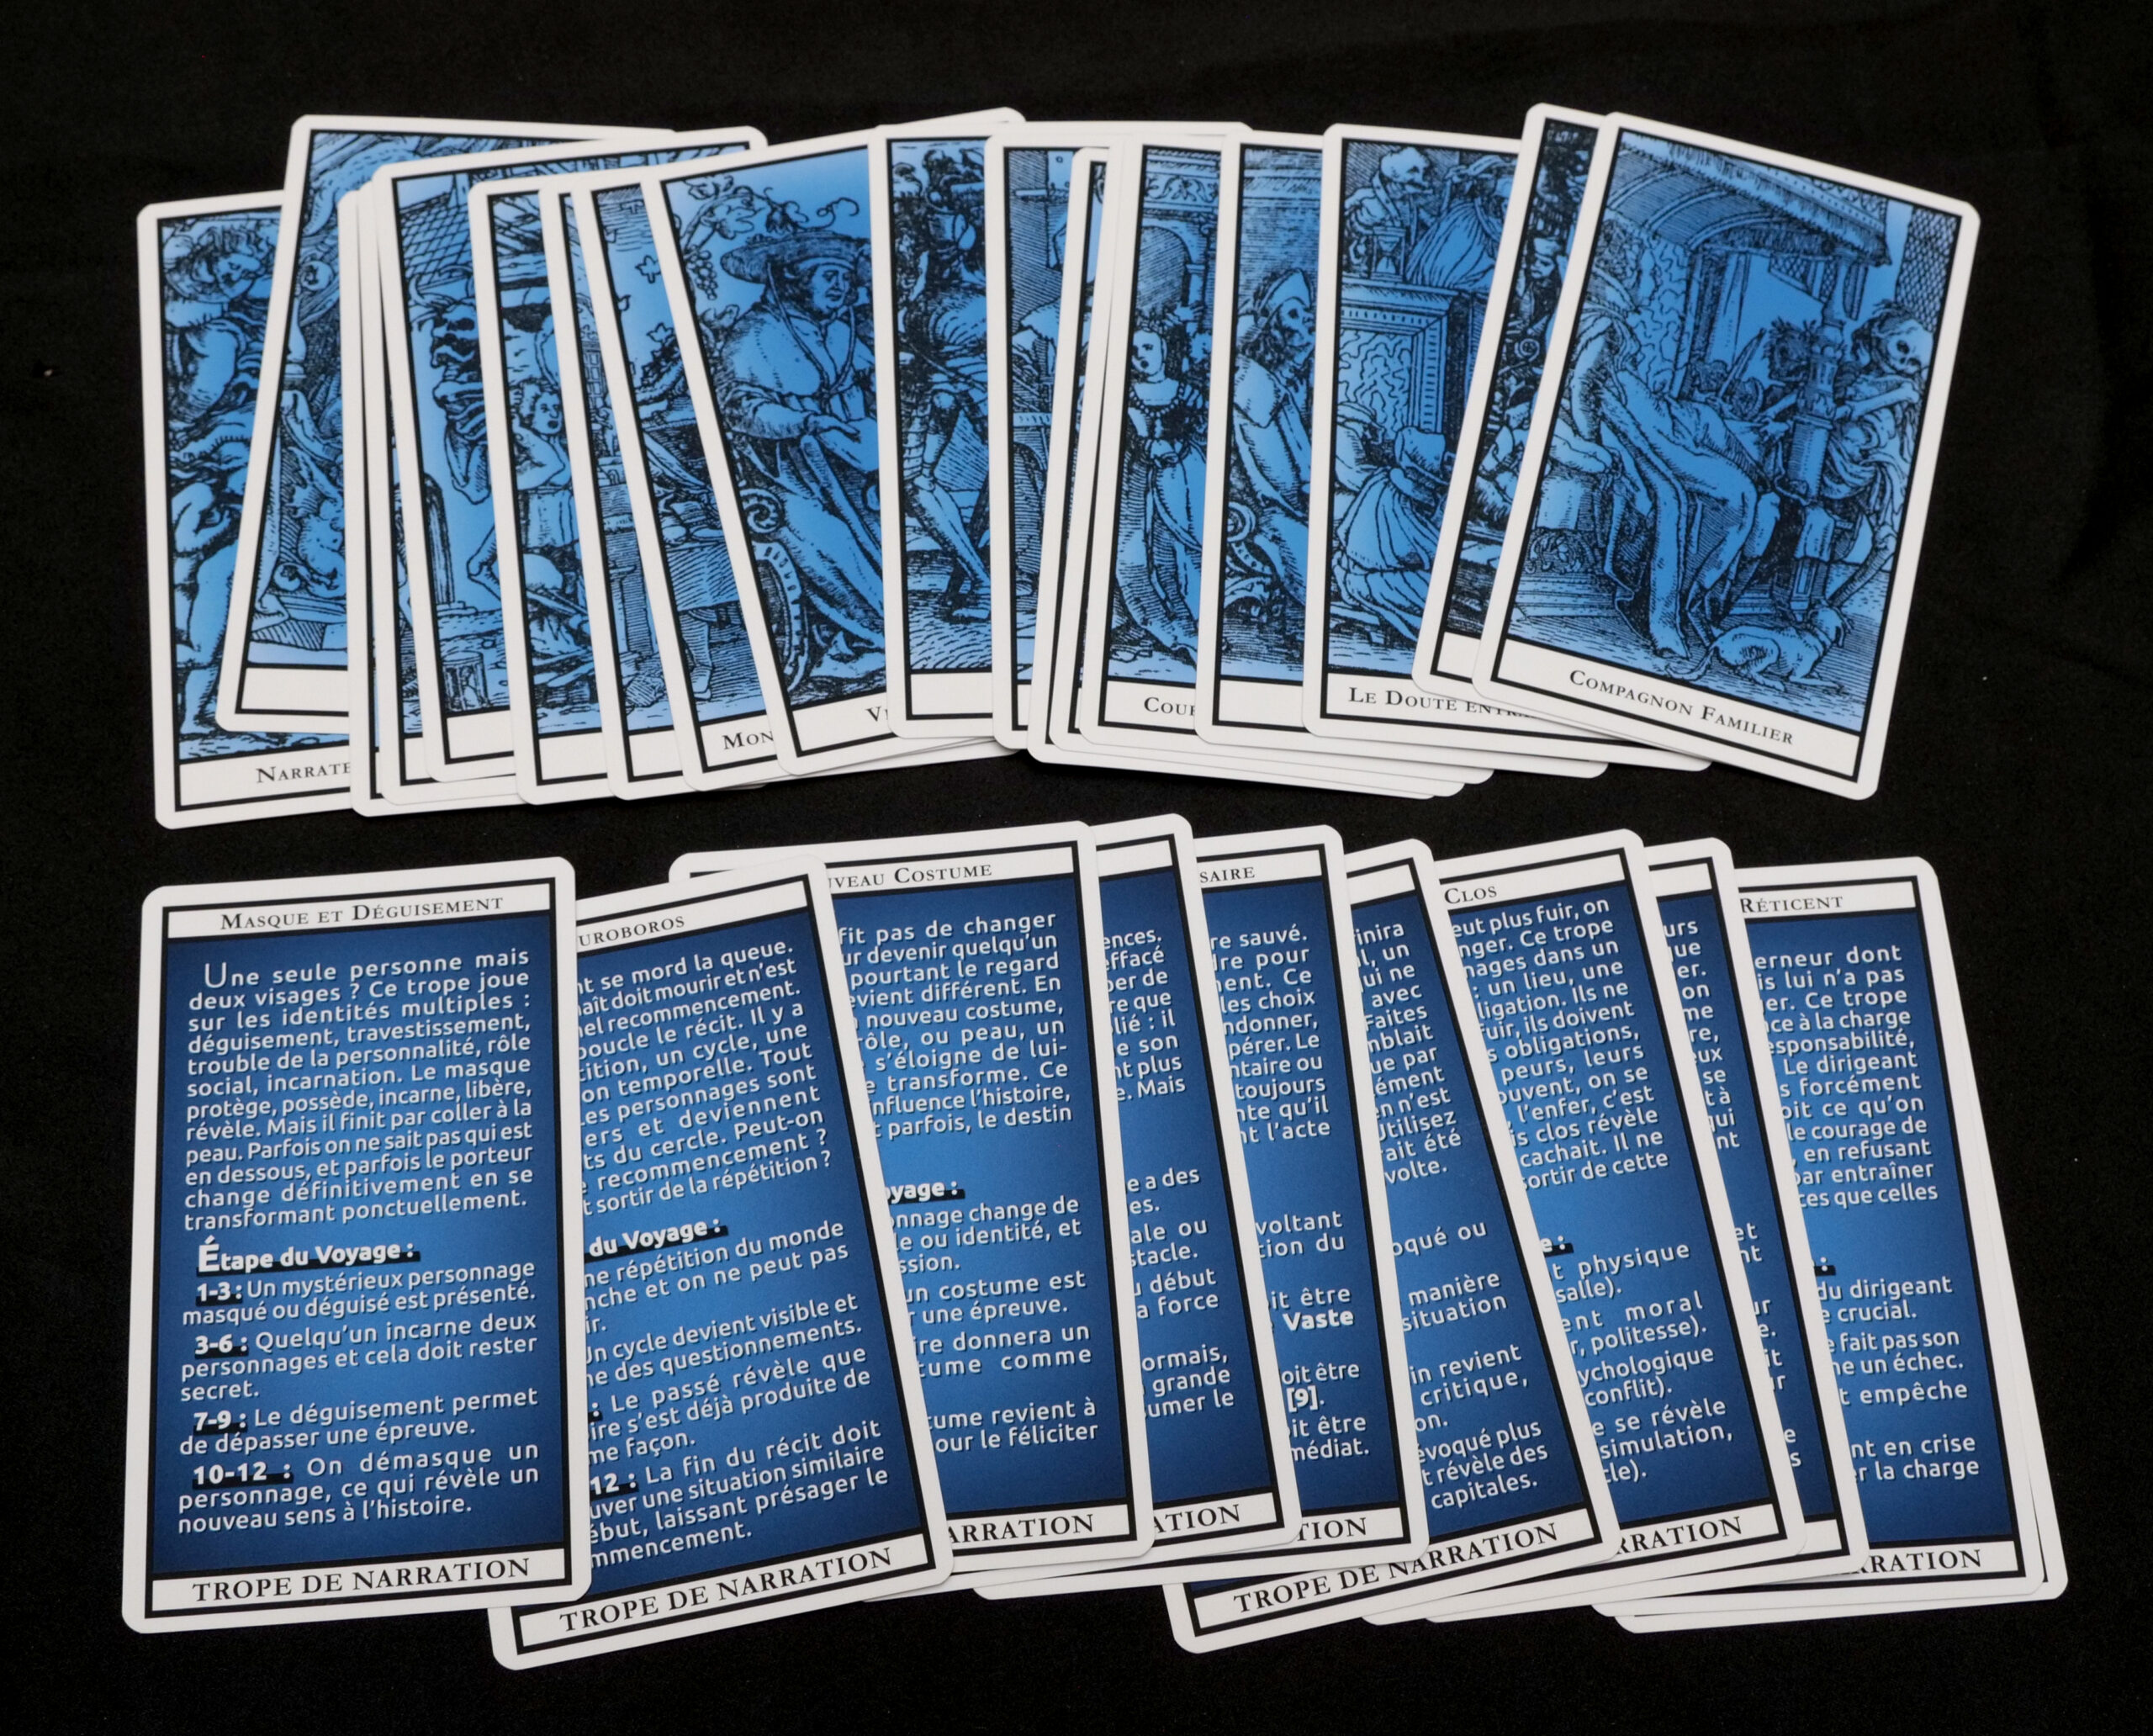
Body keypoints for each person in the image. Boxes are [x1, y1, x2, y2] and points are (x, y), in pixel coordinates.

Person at [711, 226, 886, 684]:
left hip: (850, 465)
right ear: (793, 279)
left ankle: (851, 644)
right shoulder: (753, 334)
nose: (840, 286)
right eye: (828, 275)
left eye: (845, 277)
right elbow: (740, 408)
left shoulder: (843, 330)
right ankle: (868, 639)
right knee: (826, 540)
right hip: (784, 474)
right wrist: (806, 422)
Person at [1113, 320, 1206, 657]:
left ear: (1164, 350)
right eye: (1134, 351)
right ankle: (1165, 625)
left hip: (1183, 478)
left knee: (1185, 550)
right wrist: (1147, 448)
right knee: (1144, 553)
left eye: (1149, 347)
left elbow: (1205, 431)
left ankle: (1195, 621)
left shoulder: (1188, 393)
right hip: (1139, 482)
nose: (1142, 356)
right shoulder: (1126, 396)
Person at [1225, 269, 1315, 617]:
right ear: (1272, 329)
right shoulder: (1252, 386)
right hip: (1274, 507)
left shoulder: (1290, 382)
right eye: (1292, 314)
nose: (1307, 322)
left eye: (1306, 313)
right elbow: (1273, 477)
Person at [1331, 425, 1452, 645]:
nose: (1449, 465)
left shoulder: (1391, 481)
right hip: (1369, 578)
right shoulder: (1398, 495)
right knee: (1438, 588)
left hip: (1372, 570)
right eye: (1444, 460)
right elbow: (1421, 550)